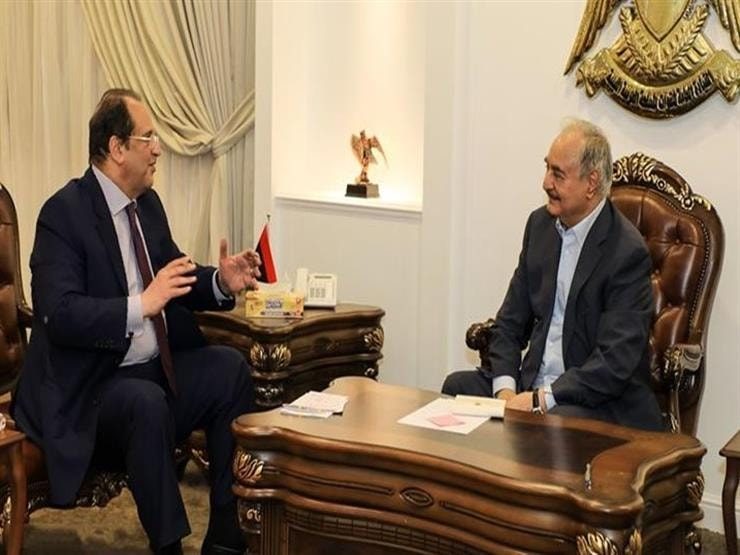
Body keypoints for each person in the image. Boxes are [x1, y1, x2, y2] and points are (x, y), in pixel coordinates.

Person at [12, 89, 259, 554]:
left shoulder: (147, 205)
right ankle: (169, 547)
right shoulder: (63, 214)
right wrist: (140, 305)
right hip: (91, 389)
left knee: (229, 370)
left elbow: (174, 277)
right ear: (117, 148)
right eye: (149, 138)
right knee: (145, 403)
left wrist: (220, 282)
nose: (158, 149)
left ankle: (227, 539)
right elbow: (59, 314)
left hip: (151, 371)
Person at [442, 119, 663, 432]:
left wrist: (541, 400)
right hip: (532, 387)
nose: (545, 183)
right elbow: (508, 325)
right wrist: (505, 392)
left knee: (554, 423)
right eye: (547, 168)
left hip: (596, 399)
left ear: (591, 183)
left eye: (558, 174)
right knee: (456, 388)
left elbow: (613, 363)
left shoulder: (626, 252)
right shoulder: (540, 227)